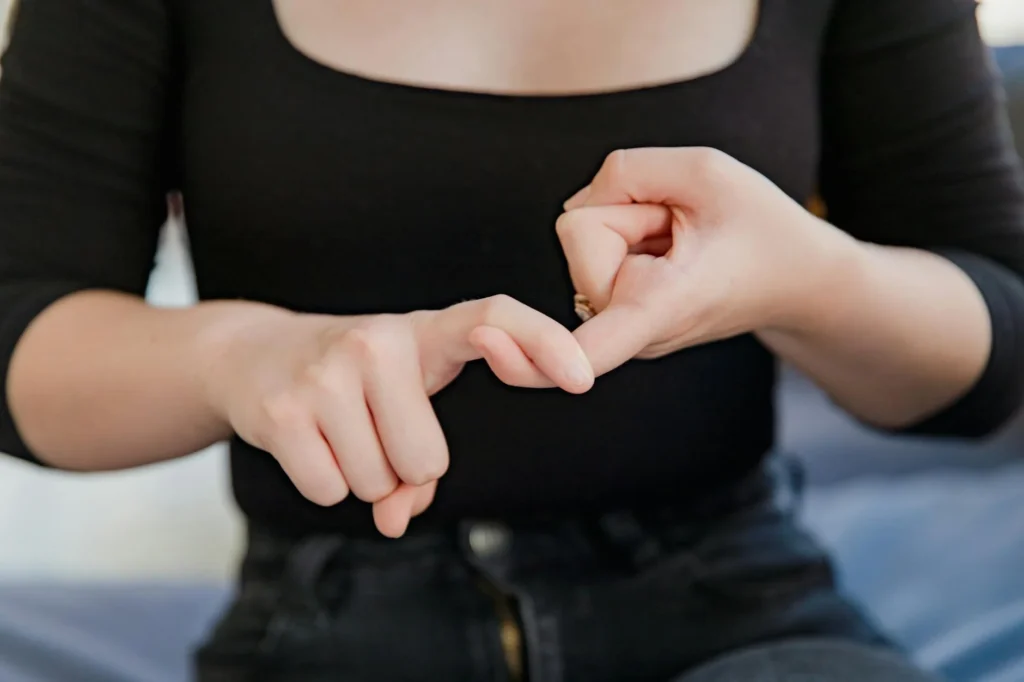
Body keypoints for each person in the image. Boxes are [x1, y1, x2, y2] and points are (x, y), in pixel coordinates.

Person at [1, 0, 1022, 680]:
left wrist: (812, 275)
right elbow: (19, 326)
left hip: (735, 598)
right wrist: (235, 356)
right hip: (326, 612)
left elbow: (994, 345)